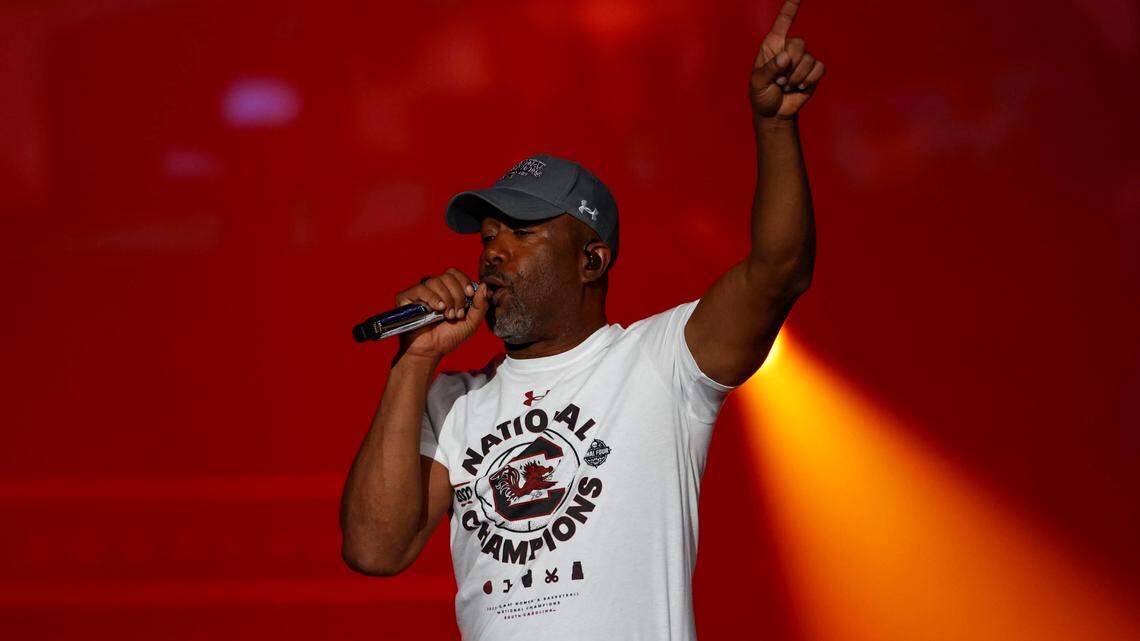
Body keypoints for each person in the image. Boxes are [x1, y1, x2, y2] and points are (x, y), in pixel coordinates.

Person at [340, 2, 823, 638]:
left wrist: (774, 127)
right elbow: (376, 550)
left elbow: (778, 271)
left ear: (591, 260)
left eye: (521, 232)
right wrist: (415, 361)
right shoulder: (451, 401)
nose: (493, 250)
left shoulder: (658, 362)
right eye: (487, 235)